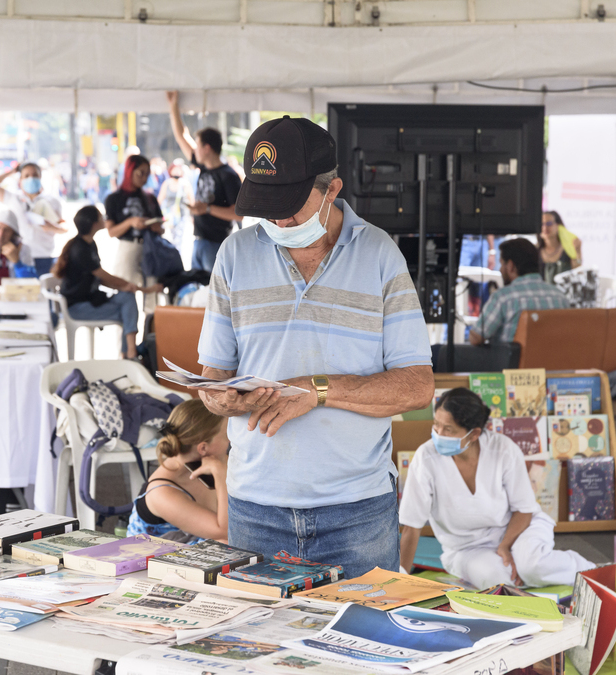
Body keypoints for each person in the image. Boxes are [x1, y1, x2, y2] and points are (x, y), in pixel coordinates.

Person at [195, 116, 434, 578]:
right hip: (255, 508)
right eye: (268, 207)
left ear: (332, 190)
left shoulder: (380, 255)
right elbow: (214, 375)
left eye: (292, 207)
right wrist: (219, 398)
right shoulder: (234, 255)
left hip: (356, 511)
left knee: (362, 643)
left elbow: (417, 388)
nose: (280, 221)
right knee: (258, 645)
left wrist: (318, 389)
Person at [399, 388, 594, 589]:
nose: (438, 434)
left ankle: (592, 570)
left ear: (474, 433)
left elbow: (524, 510)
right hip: (466, 549)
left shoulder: (503, 450)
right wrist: (400, 582)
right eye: (436, 425)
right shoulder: (426, 458)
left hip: (520, 530)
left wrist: (505, 546)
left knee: (532, 566)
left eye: (448, 429)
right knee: (499, 582)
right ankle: (528, 574)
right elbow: (411, 527)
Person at [127, 399, 229, 542]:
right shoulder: (162, 493)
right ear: (203, 448)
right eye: (227, 435)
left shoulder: (212, 461)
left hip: (190, 542)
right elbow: (226, 532)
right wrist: (221, 475)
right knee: (229, 544)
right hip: (150, 558)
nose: (231, 441)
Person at [52, 205, 141, 359]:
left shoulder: (89, 244)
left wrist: (125, 287)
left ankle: (128, 353)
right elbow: (103, 275)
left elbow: (100, 279)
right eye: (100, 217)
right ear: (93, 224)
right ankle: (130, 354)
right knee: (127, 312)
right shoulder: (79, 249)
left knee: (127, 298)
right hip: (77, 307)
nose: (104, 219)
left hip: (93, 299)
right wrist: (126, 284)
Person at [167, 90, 242, 272]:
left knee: (213, 293)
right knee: (197, 289)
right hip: (199, 241)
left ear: (207, 148)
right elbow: (181, 136)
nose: (195, 150)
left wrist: (207, 209)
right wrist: (173, 105)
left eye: (198, 145)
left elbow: (238, 214)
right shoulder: (204, 168)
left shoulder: (228, 175)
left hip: (216, 244)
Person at [469, 238, 570, 346]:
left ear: (511, 266)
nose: (500, 270)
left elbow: (476, 337)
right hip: (552, 362)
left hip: (513, 362)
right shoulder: (560, 297)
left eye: (502, 264)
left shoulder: (503, 297)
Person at [0, 162, 67, 277]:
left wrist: (51, 227)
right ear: (20, 180)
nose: (31, 178)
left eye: (35, 175)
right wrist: (13, 171)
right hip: (20, 257)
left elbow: (65, 229)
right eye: (26, 176)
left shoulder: (53, 201)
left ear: (40, 177)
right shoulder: (14, 199)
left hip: (45, 256)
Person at [103, 154, 165, 305]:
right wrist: (130, 222)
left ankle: (151, 327)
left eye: (147, 174)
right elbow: (111, 232)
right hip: (128, 247)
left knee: (152, 296)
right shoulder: (114, 198)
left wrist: (155, 227)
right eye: (140, 173)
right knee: (125, 292)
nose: (144, 178)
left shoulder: (150, 198)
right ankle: (126, 328)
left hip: (150, 248)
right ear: (130, 171)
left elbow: (161, 228)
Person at [157, 159, 194, 254]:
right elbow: (160, 199)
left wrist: (193, 216)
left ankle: (177, 255)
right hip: (169, 216)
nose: (177, 171)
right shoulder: (167, 183)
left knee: (179, 238)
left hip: (182, 215)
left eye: (179, 169)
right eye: (175, 169)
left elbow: (192, 201)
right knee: (171, 237)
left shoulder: (185, 184)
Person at [539, 210, 583, 284]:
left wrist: (578, 252)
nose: (545, 227)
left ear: (558, 226)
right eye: (542, 224)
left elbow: (578, 272)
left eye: (549, 223)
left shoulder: (568, 247)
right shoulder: (534, 250)